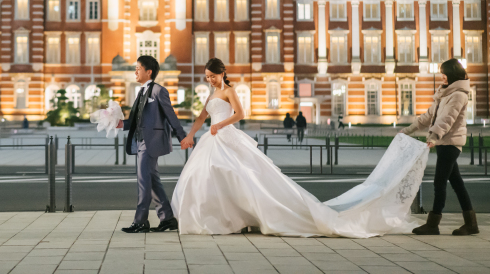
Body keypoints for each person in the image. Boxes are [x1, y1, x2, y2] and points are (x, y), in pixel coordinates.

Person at [171, 58, 429, 237]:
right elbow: (202, 116)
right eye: (207, 78)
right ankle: (222, 218)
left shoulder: (229, 90)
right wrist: (191, 135)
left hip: (226, 135)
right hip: (212, 138)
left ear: (222, 73)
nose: (211, 81)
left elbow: (240, 113)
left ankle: (243, 218)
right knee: (208, 176)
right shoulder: (211, 94)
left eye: (213, 77)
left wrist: (222, 124)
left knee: (242, 177)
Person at [401, 59, 477, 236]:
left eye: (444, 73)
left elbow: (447, 119)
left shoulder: (458, 94)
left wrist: (434, 137)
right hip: (445, 143)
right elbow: (428, 116)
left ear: (451, 73)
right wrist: (408, 130)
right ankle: (471, 224)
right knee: (457, 184)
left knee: (439, 182)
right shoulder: (445, 93)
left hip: (450, 143)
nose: (441, 76)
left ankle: (433, 223)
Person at [116, 55, 187, 233]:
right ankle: (168, 218)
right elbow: (136, 119)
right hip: (141, 140)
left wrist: (182, 136)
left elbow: (171, 115)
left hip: (151, 142)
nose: (135, 71)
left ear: (149, 72)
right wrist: (120, 124)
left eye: (138, 68)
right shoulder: (141, 92)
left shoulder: (158, 91)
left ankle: (141, 221)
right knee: (152, 180)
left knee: (143, 181)